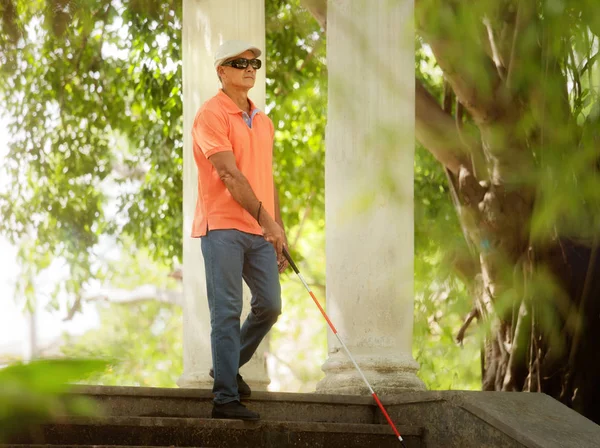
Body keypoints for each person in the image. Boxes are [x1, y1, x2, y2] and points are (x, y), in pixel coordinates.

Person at [191, 40, 289, 421]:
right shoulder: (209, 115)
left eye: (254, 63)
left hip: (260, 229)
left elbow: (267, 178)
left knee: (270, 305)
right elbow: (229, 174)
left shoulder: (263, 120)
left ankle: (227, 366)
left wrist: (278, 228)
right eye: (239, 63)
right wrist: (268, 220)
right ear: (222, 70)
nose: (249, 68)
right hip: (222, 228)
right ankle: (225, 399)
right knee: (228, 311)